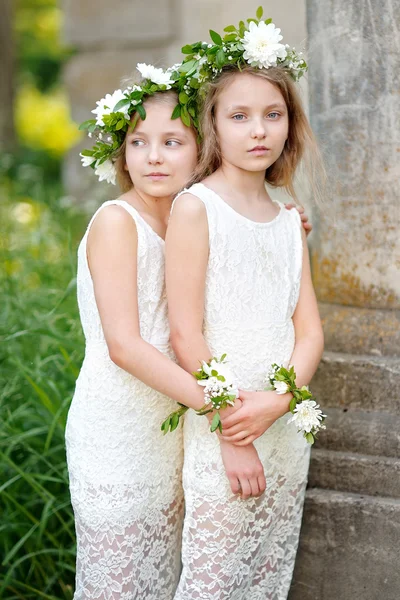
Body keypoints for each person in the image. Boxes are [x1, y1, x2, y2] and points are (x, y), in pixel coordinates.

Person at [165, 14, 325, 600]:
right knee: (213, 578)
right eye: (239, 116)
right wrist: (234, 432)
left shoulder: (288, 219)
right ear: (212, 124)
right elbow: (185, 332)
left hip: (280, 426)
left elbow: (308, 330)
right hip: (224, 425)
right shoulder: (196, 208)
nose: (258, 130)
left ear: (290, 123)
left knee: (263, 578)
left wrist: (282, 399)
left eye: (273, 114)